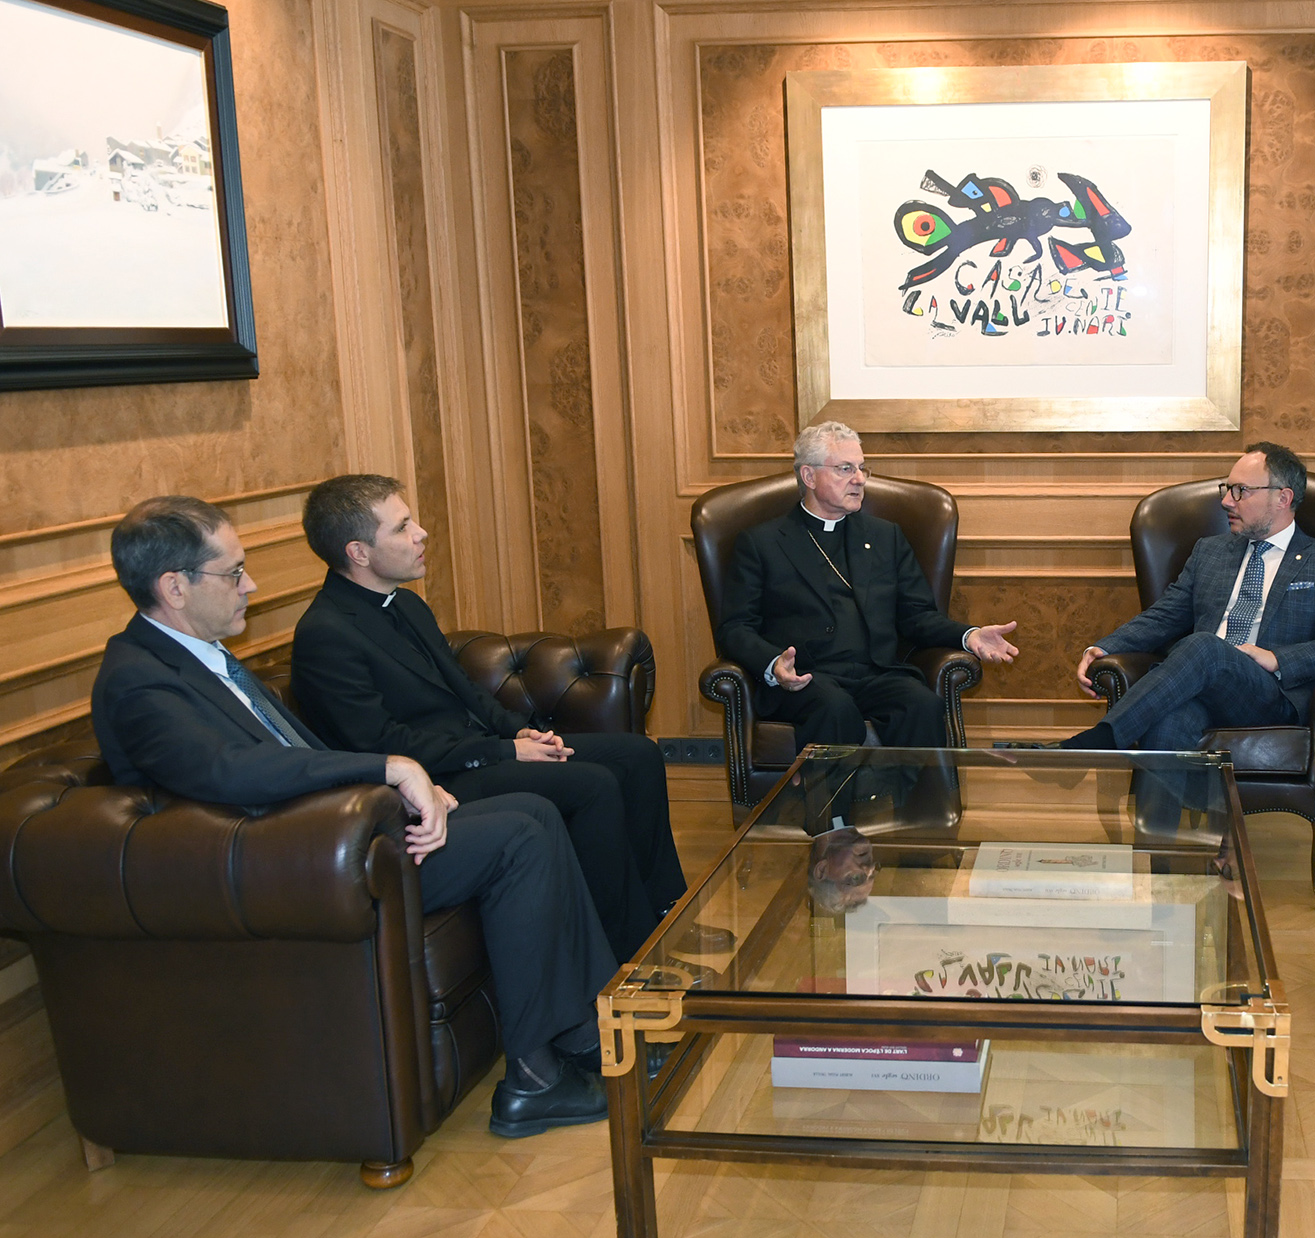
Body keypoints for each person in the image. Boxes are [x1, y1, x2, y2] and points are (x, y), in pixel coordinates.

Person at [91, 496, 618, 1140]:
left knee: (533, 810)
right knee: (517, 838)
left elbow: (299, 755)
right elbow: (229, 772)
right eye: (233, 573)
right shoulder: (139, 680)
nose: (250, 586)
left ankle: (585, 1032)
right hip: (292, 867)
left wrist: (403, 793)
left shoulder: (198, 654)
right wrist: (388, 770)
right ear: (174, 586)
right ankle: (534, 1079)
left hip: (336, 833)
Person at [288, 475, 702, 962]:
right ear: (358, 552)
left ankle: (664, 912)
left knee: (636, 755)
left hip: (475, 751)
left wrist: (518, 730)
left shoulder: (406, 603)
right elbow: (382, 744)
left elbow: (464, 691)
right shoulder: (325, 635)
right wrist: (505, 751)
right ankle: (626, 952)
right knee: (593, 785)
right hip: (436, 781)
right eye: (402, 528)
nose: (420, 533)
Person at [1036, 443, 1315, 829]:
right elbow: (1164, 616)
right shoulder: (1211, 551)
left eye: (1241, 491)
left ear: (1283, 498)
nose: (1228, 501)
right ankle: (1162, 866)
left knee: (1203, 646)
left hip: (1268, 694)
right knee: (1170, 720)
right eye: (1226, 490)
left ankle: (1097, 743)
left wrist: (1277, 659)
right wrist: (1103, 648)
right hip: (1197, 686)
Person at [717, 421, 1021, 749]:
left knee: (921, 704)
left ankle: (916, 802)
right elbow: (735, 628)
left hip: (875, 674)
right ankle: (831, 802)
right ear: (809, 476)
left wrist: (968, 635)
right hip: (807, 678)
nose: (859, 479)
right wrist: (773, 663)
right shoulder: (762, 543)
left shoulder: (883, 537)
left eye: (862, 468)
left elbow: (917, 616)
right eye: (845, 469)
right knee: (835, 709)